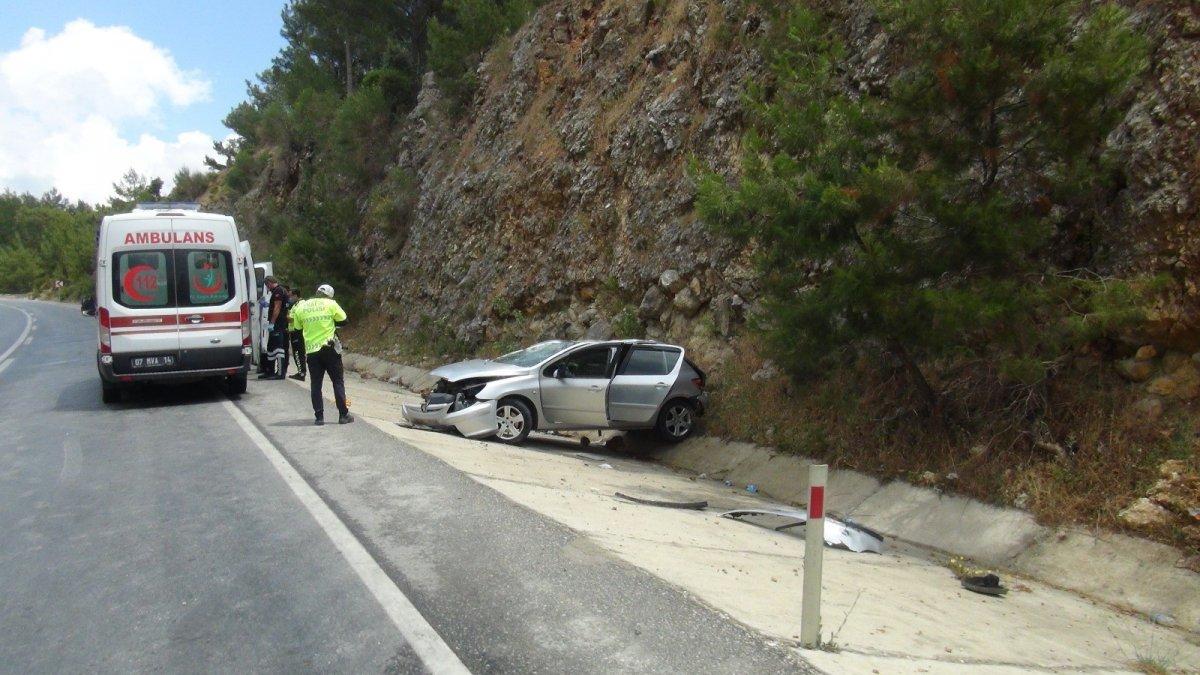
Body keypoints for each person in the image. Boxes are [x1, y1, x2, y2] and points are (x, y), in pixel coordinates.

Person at [289, 284, 352, 425]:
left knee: (316, 385)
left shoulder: (302, 306)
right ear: (329, 295)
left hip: (312, 351)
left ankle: (319, 417)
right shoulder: (331, 303)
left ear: (317, 292)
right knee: (337, 382)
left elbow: (298, 327)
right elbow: (344, 320)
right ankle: (343, 415)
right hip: (329, 349)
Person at [259, 276, 290, 380]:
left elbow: (277, 308)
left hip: (278, 324)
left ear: (269, 283)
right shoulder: (279, 291)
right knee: (271, 348)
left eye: (267, 286)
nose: (267, 288)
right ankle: (270, 371)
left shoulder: (278, 291)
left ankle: (280, 373)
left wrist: (272, 323)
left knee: (278, 348)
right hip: (277, 323)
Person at [286, 287, 307, 381]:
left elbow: (294, 318)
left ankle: (301, 373)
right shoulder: (295, 304)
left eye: (290, 296)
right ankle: (300, 372)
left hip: (298, 332)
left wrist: (284, 316)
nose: (289, 298)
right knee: (296, 353)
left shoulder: (301, 304)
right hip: (293, 331)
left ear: (295, 295)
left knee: (298, 353)